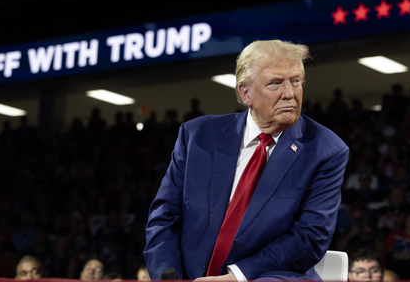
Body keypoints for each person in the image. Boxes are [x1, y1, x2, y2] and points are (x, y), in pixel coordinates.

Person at [144, 40, 349, 281]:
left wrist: (236, 278)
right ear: (245, 93)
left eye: (296, 81)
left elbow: (309, 238)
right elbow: (165, 216)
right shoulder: (197, 136)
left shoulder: (326, 150)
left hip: (267, 275)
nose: (290, 93)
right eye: (276, 83)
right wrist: (168, 276)